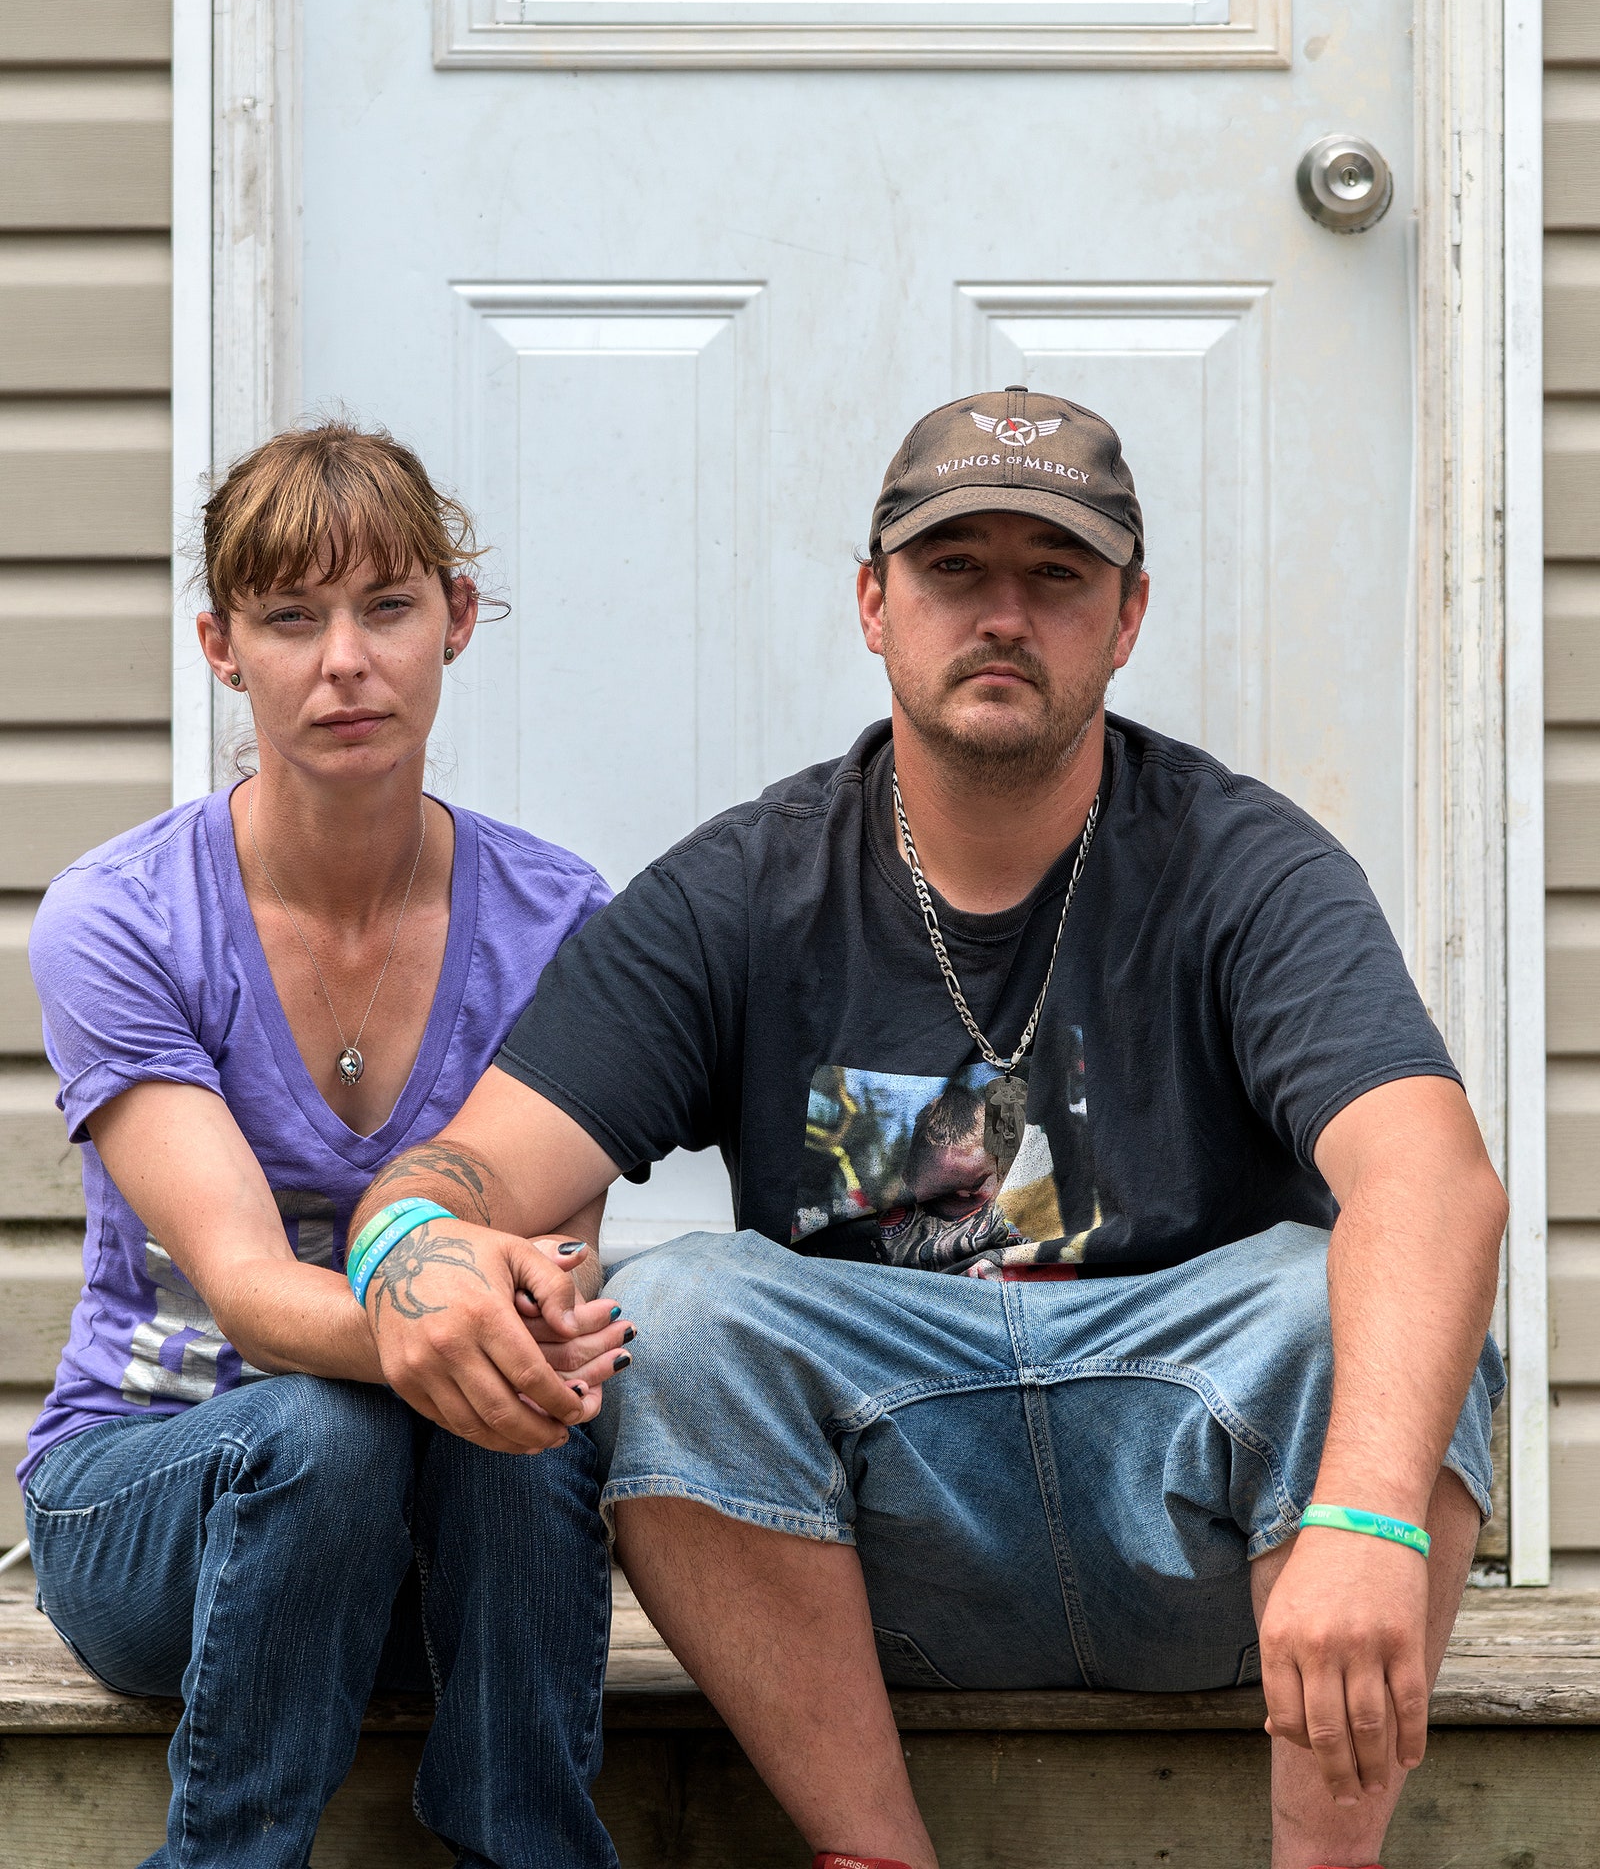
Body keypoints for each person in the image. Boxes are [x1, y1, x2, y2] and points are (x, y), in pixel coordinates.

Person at [342, 388, 1508, 1869]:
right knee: (682, 1309)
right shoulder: (745, 891)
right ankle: (877, 1858)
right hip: (884, 1561)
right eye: (956, 571)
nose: (1003, 615)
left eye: (1057, 576)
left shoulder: (1244, 865)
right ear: (873, 604)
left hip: (1218, 1542)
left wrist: (1367, 1519)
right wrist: (411, 1251)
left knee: (1355, 1292)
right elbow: (463, 1171)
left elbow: (1435, 1180)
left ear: (1129, 615)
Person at [21, 422, 629, 1869]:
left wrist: (518, 1331)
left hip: (447, 1547)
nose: (343, 662)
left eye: (386, 608)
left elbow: (556, 1286)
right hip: (152, 1496)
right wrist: (464, 1312)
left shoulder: (557, 924)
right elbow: (243, 1289)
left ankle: (525, 1843)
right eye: (291, 618)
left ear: (455, 622)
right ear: (222, 647)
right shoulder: (123, 921)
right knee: (329, 1419)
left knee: (525, 1425)